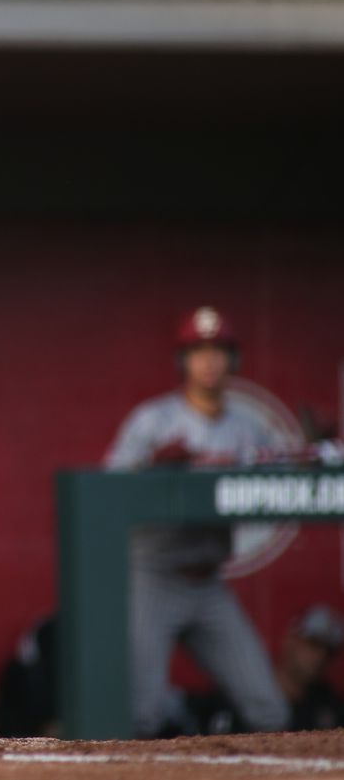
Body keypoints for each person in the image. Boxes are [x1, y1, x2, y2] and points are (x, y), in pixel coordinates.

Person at [105, 305, 291, 738]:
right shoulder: (154, 420)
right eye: (198, 351)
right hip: (152, 576)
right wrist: (150, 470)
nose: (208, 361)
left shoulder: (247, 429)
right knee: (141, 715)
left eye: (218, 351)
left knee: (269, 710)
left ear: (233, 359)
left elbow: (278, 484)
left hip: (208, 582)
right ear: (182, 361)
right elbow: (106, 494)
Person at [188, 604, 344, 734]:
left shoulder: (329, 705)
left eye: (328, 651)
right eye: (313, 644)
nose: (320, 657)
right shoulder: (245, 689)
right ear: (290, 640)